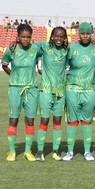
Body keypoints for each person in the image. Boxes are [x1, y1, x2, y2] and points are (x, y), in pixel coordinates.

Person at [62, 22, 95, 161]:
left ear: (91, 34)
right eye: (82, 33)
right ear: (78, 34)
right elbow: (63, 64)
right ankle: (70, 152)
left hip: (90, 89)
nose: (85, 36)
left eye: (87, 33)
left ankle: (87, 152)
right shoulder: (71, 47)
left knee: (87, 121)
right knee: (72, 120)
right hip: (72, 89)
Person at [1, 24, 40, 161]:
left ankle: (28, 151)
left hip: (31, 89)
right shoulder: (11, 49)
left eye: (28, 37)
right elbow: (4, 64)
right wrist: (13, 76)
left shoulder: (35, 48)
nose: (25, 40)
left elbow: (51, 48)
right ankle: (12, 151)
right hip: (15, 89)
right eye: (22, 37)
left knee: (30, 120)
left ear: (31, 37)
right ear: (18, 37)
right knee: (14, 119)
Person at [34, 27, 69, 161]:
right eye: (57, 36)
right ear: (52, 36)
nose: (59, 39)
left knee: (57, 121)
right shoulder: (44, 46)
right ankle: (40, 151)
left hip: (60, 92)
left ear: (64, 38)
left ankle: (55, 150)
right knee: (44, 120)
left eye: (62, 36)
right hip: (46, 90)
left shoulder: (66, 51)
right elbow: (30, 47)